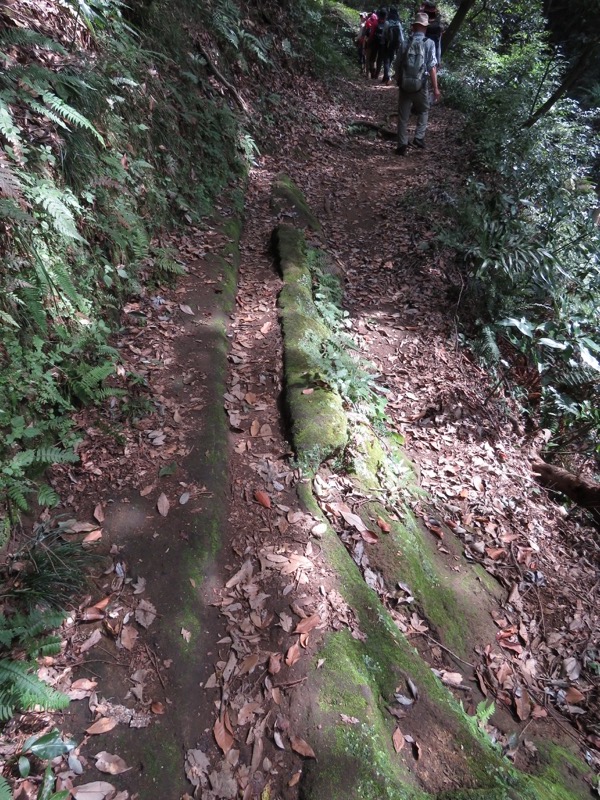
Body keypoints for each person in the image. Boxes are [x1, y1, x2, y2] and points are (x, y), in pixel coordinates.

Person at [394, 11, 441, 155]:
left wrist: (399, 80)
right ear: (426, 28)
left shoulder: (405, 42)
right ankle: (419, 137)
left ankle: (402, 145)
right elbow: (432, 67)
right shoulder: (429, 43)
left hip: (405, 84)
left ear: (414, 27)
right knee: (424, 110)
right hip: (421, 86)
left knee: (403, 115)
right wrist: (436, 88)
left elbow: (397, 64)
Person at [383, 6, 403, 84]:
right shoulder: (398, 23)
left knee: (386, 61)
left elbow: (383, 34)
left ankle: (387, 77)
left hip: (388, 44)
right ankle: (395, 77)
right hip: (396, 45)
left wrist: (383, 43)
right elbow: (401, 36)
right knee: (395, 60)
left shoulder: (387, 22)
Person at [419, 0, 443, 65]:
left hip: (422, 55)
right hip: (429, 57)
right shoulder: (438, 26)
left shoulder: (422, 24)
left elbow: (438, 45)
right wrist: (438, 61)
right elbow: (438, 46)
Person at [366, 9, 387, 80]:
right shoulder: (386, 23)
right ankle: (377, 75)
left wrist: (369, 42)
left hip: (375, 42)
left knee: (373, 58)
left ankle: (372, 72)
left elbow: (372, 34)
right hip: (383, 43)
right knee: (380, 59)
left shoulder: (375, 22)